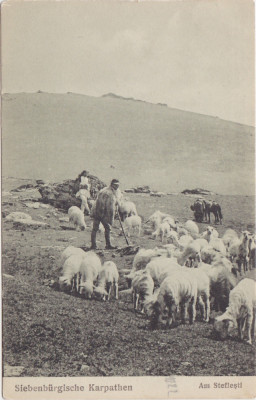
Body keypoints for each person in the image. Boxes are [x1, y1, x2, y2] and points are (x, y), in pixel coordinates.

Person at [90, 179, 122, 250]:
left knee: (101, 228)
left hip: (100, 211)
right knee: (101, 228)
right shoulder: (108, 193)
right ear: (112, 185)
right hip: (100, 211)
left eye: (118, 185)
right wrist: (106, 216)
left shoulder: (111, 191)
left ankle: (99, 245)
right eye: (116, 185)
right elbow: (106, 205)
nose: (117, 187)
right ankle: (101, 245)